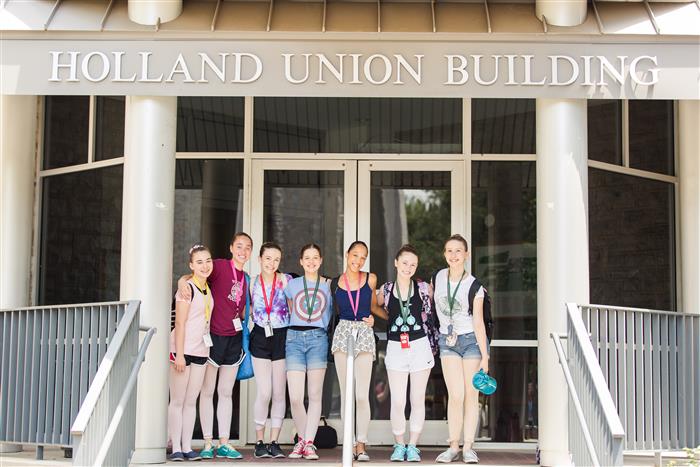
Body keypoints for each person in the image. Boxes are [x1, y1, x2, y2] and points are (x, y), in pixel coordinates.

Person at [177, 232, 253, 460]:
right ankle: (208, 442)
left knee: (226, 392)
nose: (243, 251)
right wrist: (182, 281)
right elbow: (194, 276)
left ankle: (224, 442)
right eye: (239, 246)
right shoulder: (218, 266)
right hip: (212, 338)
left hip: (233, 338)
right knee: (207, 392)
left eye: (247, 247)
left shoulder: (246, 277)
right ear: (231, 248)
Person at [376, 244, 437, 463]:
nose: (408, 267)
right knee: (398, 400)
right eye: (404, 263)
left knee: (417, 398)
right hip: (395, 346)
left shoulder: (422, 288)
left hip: (420, 344)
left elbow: (434, 310)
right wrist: (387, 317)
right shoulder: (387, 289)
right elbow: (374, 304)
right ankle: (399, 444)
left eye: (412, 264)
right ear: (396, 263)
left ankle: (413, 445)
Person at [432, 234, 489, 464]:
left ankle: (468, 447)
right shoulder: (437, 277)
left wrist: (485, 356)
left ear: (467, 255)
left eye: (458, 251)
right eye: (449, 251)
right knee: (455, 395)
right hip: (448, 341)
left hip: (470, 342)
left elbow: (478, 322)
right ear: (444, 254)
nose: (453, 255)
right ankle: (453, 446)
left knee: (470, 396)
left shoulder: (475, 286)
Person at [330, 240, 379, 462]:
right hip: (343, 333)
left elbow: (375, 307)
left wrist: (377, 319)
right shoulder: (334, 283)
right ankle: (347, 443)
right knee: (346, 393)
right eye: (355, 255)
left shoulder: (370, 278)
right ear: (347, 254)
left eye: (363, 257)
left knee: (361, 394)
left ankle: (361, 444)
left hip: (364, 333)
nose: (358, 261)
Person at [284, 243, 334, 461]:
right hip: (294, 338)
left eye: (316, 258)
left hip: (318, 339)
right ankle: (303, 440)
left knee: (314, 396)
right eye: (307, 258)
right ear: (301, 261)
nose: (311, 262)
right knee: (295, 397)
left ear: (321, 260)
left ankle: (308, 444)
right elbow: (288, 309)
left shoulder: (328, 286)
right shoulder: (292, 285)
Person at [168, 244, 214, 462]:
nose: (205, 266)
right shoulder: (186, 288)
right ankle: (175, 446)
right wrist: (179, 354)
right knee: (177, 400)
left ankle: (187, 446)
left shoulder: (206, 287)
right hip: (183, 351)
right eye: (199, 262)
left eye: (207, 261)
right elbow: (180, 322)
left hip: (201, 350)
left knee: (191, 400)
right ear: (191, 265)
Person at [248, 242, 291, 458]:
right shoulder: (251, 282)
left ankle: (274, 441)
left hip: (282, 336)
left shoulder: (285, 281)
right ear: (259, 259)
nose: (271, 263)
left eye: (276, 259)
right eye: (268, 259)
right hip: (260, 336)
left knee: (278, 392)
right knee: (264, 391)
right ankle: (259, 441)